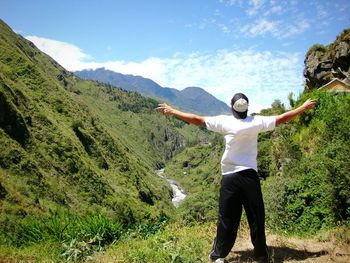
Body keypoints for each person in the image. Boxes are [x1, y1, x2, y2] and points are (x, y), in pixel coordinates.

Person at [156, 93, 317, 263]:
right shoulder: (256, 122)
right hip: (250, 176)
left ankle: (218, 255)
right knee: (256, 216)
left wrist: (173, 111)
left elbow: (198, 119)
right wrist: (302, 108)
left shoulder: (225, 122)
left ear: (231, 106)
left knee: (227, 217)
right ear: (247, 107)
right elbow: (282, 118)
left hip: (230, 177)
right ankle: (261, 255)